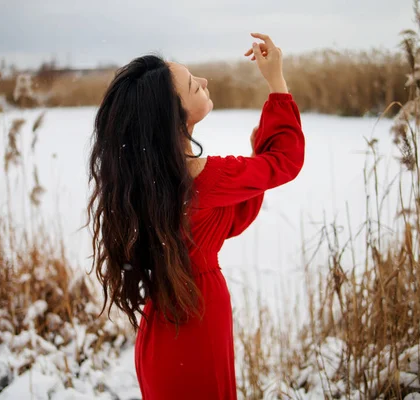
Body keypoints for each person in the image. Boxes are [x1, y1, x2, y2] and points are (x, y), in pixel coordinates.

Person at [86, 32, 305, 399]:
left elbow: (228, 221)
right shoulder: (204, 177)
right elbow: (286, 161)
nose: (204, 81)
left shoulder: (153, 180)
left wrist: (254, 167)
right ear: (174, 113)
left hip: (164, 328)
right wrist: (277, 82)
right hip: (197, 320)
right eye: (192, 84)